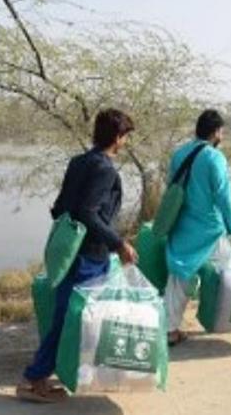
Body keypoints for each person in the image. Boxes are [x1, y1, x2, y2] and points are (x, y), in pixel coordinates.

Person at [16, 108, 139, 403]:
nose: (125, 143)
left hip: (73, 251)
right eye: (125, 137)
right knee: (70, 317)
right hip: (88, 256)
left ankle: (69, 372)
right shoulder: (105, 168)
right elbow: (88, 212)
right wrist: (119, 243)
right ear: (118, 137)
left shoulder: (79, 161)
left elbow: (60, 208)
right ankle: (35, 379)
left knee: (76, 316)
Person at [163, 109, 231, 346]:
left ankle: (169, 329)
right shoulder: (214, 158)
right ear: (216, 133)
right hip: (210, 230)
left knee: (179, 277)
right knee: (228, 272)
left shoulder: (179, 154)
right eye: (222, 132)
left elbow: (171, 187)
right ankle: (226, 318)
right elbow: (224, 197)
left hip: (182, 227)